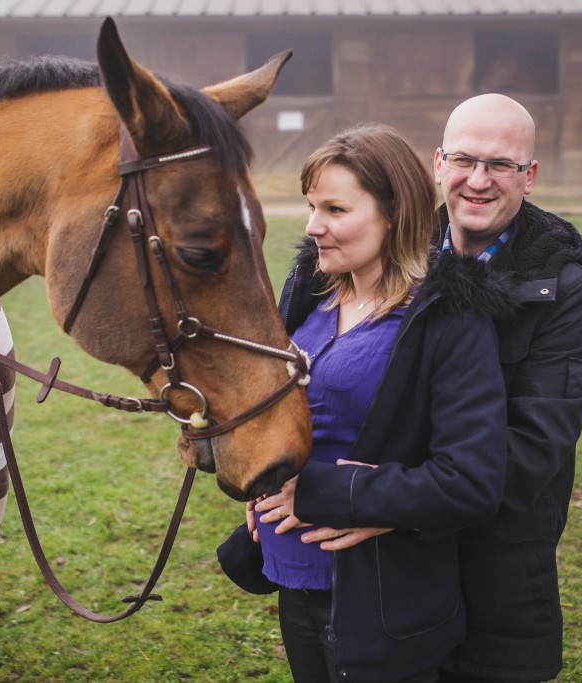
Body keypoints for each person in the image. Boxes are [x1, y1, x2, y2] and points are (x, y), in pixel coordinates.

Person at [218, 122, 517, 682]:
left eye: (335, 209)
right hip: (295, 582)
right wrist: (260, 477)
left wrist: (339, 494)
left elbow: (470, 479)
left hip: (377, 596)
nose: (313, 227)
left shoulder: (448, 317)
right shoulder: (310, 295)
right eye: (311, 207)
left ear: (393, 212)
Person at [429, 96, 582, 682]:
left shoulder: (565, 290)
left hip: (499, 565)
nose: (478, 181)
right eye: (464, 159)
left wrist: (387, 499)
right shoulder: (392, 258)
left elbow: (533, 449)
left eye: (500, 165)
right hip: (392, 566)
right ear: (438, 164)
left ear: (528, 177)